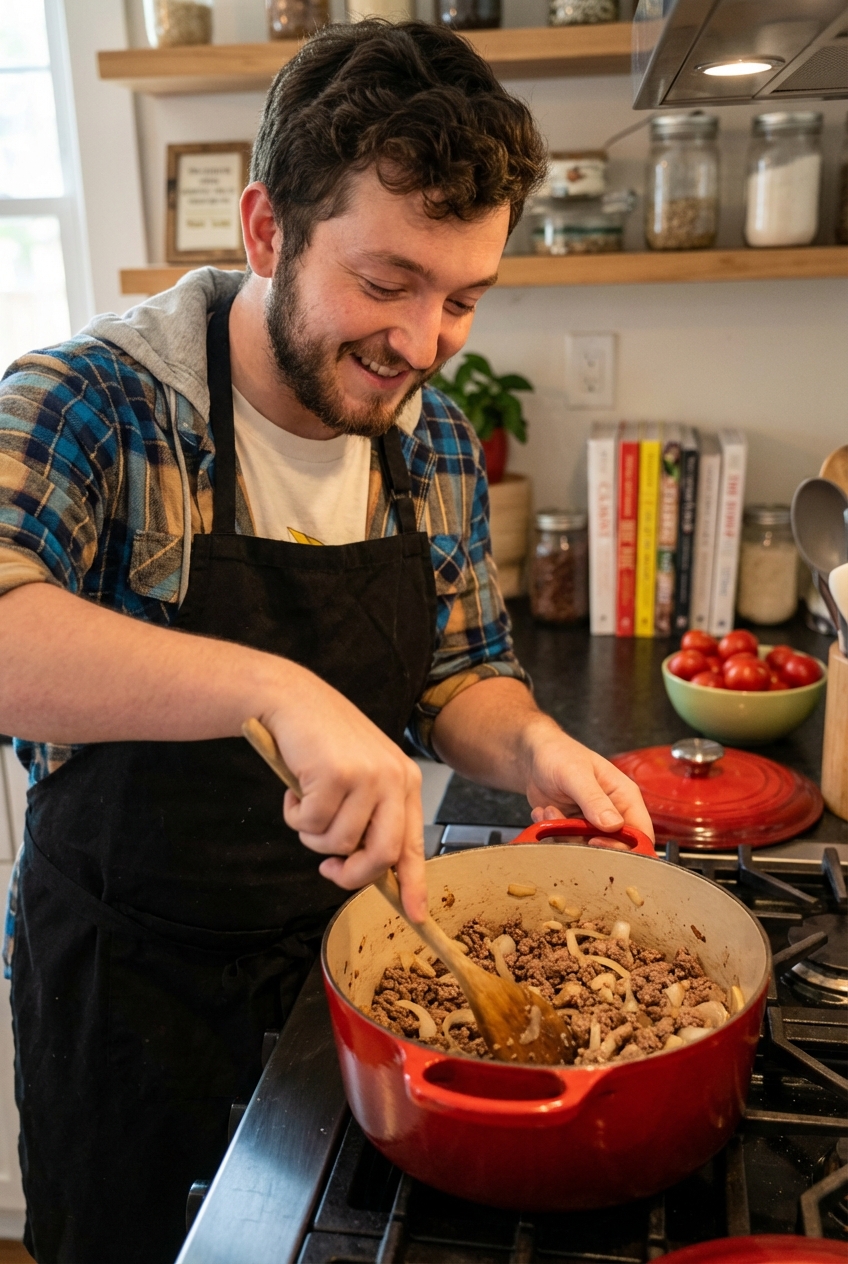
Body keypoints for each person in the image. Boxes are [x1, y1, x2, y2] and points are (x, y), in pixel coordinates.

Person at [0, 19, 652, 1263]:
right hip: (127, 1005)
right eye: (386, 281)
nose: (420, 342)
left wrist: (533, 746)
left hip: (354, 991)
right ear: (265, 230)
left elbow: (461, 672)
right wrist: (271, 686)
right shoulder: (96, 403)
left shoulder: (435, 440)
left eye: (461, 297)